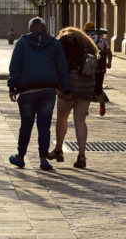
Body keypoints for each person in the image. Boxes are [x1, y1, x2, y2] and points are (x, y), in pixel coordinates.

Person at [7, 17, 70, 171]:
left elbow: (15, 66)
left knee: (26, 125)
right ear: (44, 27)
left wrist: (12, 86)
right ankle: (43, 159)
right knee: (44, 126)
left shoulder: (22, 43)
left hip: (27, 91)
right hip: (48, 91)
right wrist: (65, 87)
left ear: (30, 29)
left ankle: (20, 157)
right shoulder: (55, 43)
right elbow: (62, 66)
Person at [49, 26, 101, 169]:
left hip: (71, 83)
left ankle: (58, 150)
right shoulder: (88, 44)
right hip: (87, 84)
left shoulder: (64, 40)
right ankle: (81, 155)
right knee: (80, 120)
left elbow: (61, 64)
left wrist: (62, 86)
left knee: (62, 117)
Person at [84, 21, 112, 116]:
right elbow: (108, 52)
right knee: (98, 88)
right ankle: (101, 103)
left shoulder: (84, 39)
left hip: (88, 68)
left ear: (85, 30)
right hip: (100, 68)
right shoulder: (102, 40)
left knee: (87, 88)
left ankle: (85, 109)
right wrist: (109, 62)